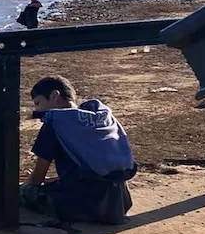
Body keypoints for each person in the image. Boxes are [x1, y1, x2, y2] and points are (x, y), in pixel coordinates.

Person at [22, 76, 136, 225]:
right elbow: (93, 167)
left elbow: (36, 179)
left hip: (81, 205)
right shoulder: (100, 119)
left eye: (38, 103)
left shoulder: (55, 123)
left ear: (54, 95)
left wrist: (27, 185)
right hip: (118, 203)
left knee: (8, 195)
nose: (37, 110)